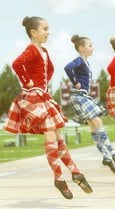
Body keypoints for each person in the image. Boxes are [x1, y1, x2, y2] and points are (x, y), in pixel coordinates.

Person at [3, 16, 92, 199]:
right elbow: (17, 64)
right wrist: (29, 83)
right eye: (44, 29)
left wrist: (43, 85)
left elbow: (50, 69)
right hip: (34, 96)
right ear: (34, 32)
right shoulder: (31, 49)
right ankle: (59, 177)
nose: (48, 32)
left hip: (42, 95)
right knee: (52, 135)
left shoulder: (43, 50)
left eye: (47, 28)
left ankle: (74, 172)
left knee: (58, 137)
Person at [64, 35, 115, 174]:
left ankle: (105, 156)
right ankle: (112, 153)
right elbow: (68, 67)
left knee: (93, 126)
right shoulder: (79, 60)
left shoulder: (85, 62)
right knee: (98, 122)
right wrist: (75, 82)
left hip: (82, 96)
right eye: (90, 46)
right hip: (79, 96)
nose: (93, 48)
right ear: (81, 48)